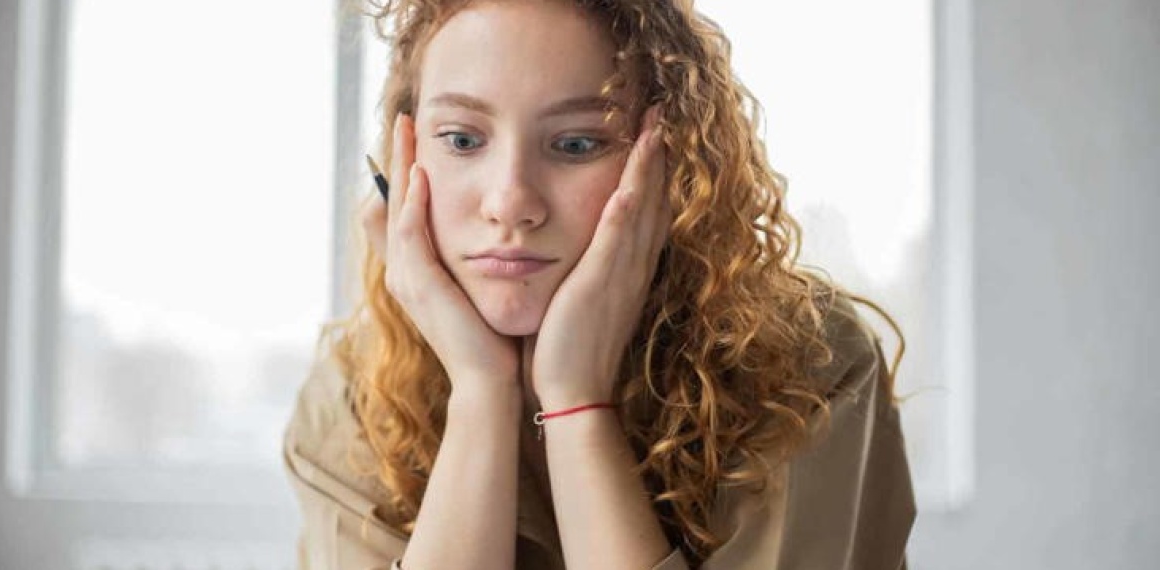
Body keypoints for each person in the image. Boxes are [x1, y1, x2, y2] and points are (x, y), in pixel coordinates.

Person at [283, 0, 917, 568]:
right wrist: (481, 392)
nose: (511, 202)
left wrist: (576, 407)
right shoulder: (351, 400)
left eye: (576, 142)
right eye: (462, 139)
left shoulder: (808, 369)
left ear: (672, 163)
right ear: (404, 161)